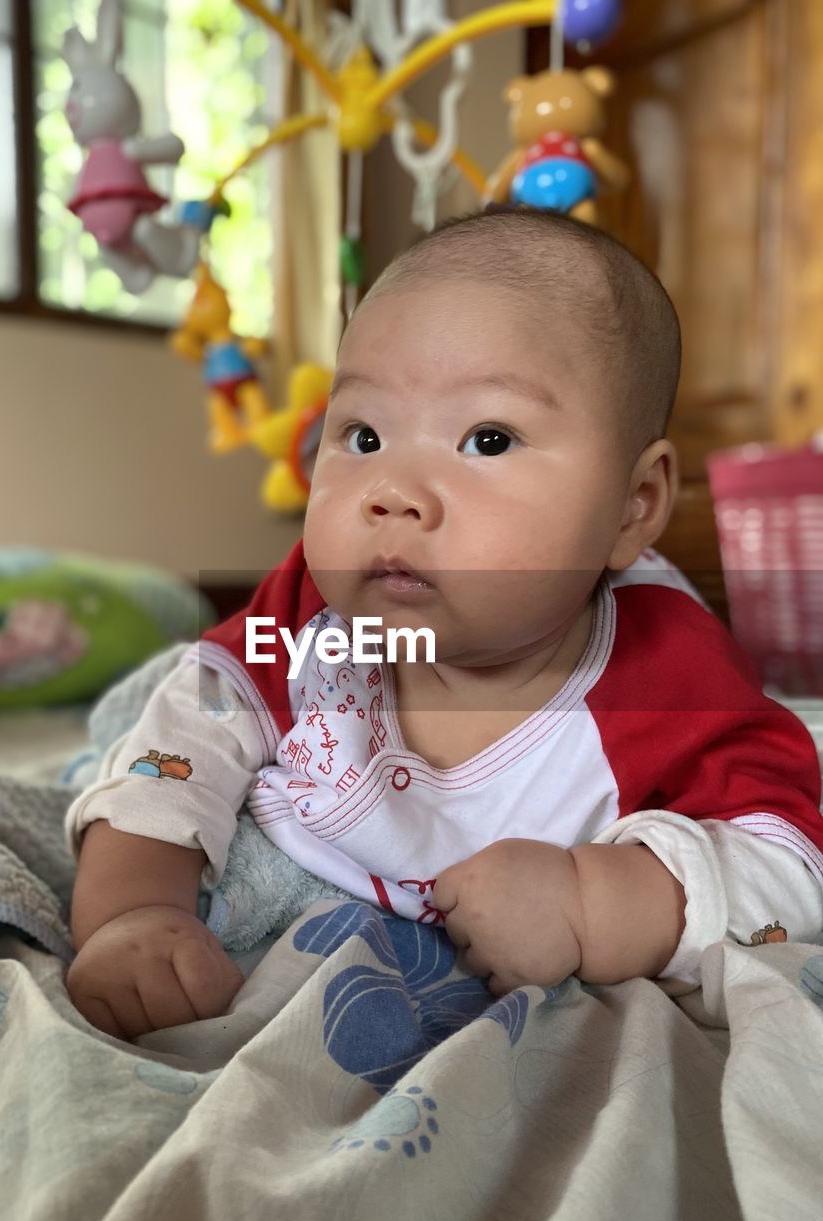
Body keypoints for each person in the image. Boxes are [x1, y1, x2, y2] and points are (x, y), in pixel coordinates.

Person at [65, 208, 823, 1040]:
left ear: (633, 505)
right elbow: (188, 732)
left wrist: (596, 900)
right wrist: (130, 910)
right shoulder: (321, 608)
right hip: (270, 777)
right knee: (158, 701)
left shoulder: (666, 675)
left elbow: (787, 868)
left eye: (487, 439)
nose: (393, 490)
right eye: (362, 434)